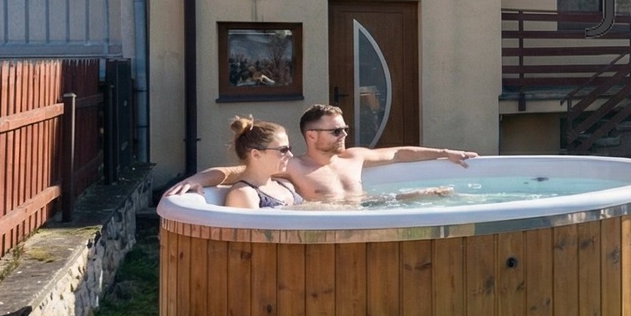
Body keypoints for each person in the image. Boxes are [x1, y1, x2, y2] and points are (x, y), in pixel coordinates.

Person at [175, 104, 476, 203]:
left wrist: (445, 153)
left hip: (372, 210)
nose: (344, 135)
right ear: (312, 135)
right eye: (336, 131)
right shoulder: (292, 165)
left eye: (345, 129)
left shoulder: (354, 157)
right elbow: (235, 173)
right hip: (331, 228)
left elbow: (398, 153)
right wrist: (197, 178)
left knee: (442, 194)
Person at [220, 117, 304, 209]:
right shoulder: (243, 194)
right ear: (256, 154)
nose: (290, 155)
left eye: (289, 149)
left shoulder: (286, 184)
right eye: (283, 150)